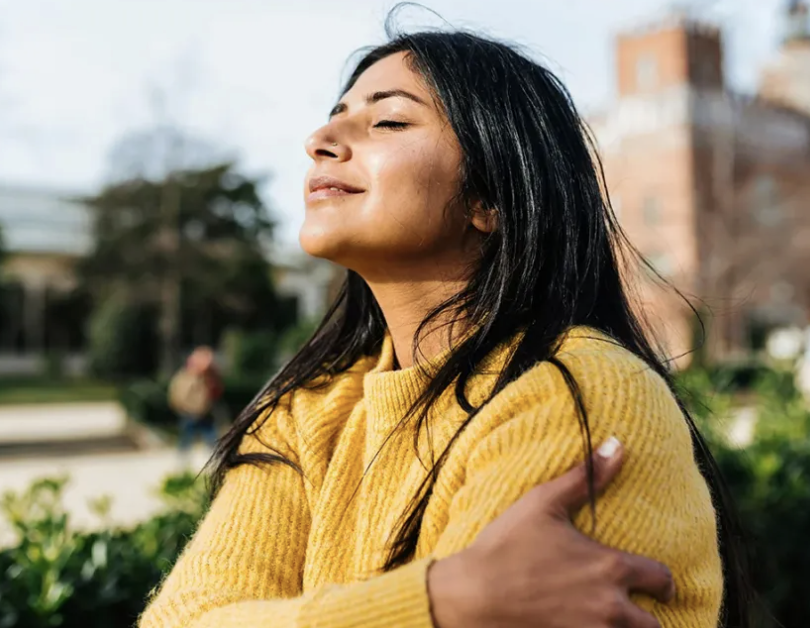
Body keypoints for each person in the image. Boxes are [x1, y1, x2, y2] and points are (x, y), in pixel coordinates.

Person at [140, 25, 751, 628]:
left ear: (490, 198)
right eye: (335, 116)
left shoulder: (577, 394)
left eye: (389, 121)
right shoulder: (303, 414)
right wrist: (438, 601)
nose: (319, 140)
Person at [168, 346, 223, 460]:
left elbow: (216, 391)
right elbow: (179, 395)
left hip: (204, 412)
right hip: (190, 412)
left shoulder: (207, 378)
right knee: (186, 438)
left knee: (210, 437)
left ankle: (216, 457)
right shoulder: (186, 377)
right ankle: (182, 460)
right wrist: (185, 408)